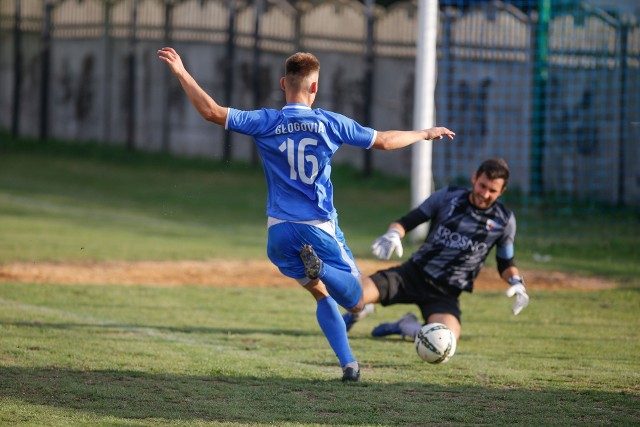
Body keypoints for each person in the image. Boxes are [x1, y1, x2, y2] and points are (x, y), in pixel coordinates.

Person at [157, 47, 455, 381]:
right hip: (318, 228)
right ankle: (324, 267)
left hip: (279, 232)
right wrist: (425, 133)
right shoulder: (330, 122)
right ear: (314, 88)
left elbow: (211, 111)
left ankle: (349, 364)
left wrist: (182, 72)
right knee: (357, 301)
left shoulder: (266, 121)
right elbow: (384, 141)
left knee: (319, 292)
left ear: (283, 83)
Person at [339, 158, 529, 344]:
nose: (485, 194)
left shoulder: (504, 220)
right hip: (411, 275)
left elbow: (505, 262)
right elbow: (406, 221)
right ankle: (360, 311)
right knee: (352, 296)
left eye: (492, 191)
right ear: (474, 178)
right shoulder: (448, 197)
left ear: (502, 191)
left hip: (445, 293)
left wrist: (516, 282)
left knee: (447, 340)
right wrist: (394, 234)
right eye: (482, 186)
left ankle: (406, 326)